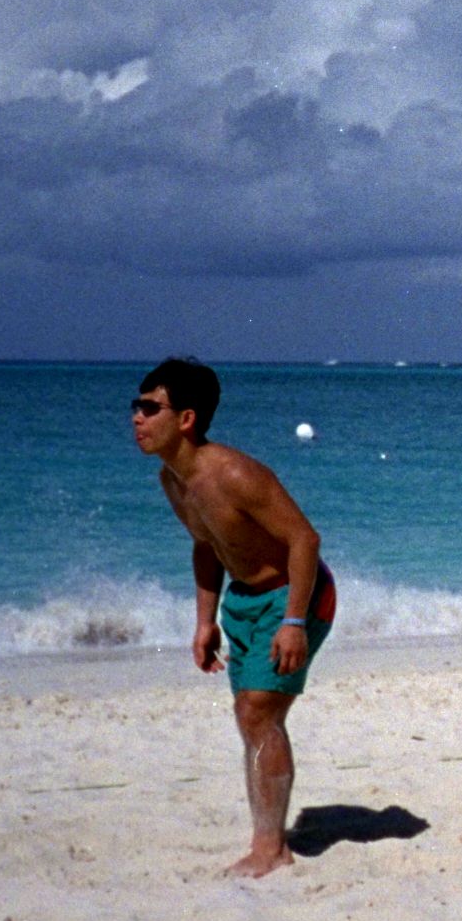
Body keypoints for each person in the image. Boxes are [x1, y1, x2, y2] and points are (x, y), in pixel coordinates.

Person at [131, 356, 336, 878]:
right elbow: (207, 545)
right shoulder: (173, 481)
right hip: (243, 601)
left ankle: (270, 848)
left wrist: (293, 622)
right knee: (252, 717)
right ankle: (268, 839)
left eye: (150, 408)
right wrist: (205, 621)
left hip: (296, 593)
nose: (137, 417)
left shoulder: (235, 474)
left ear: (186, 419)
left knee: (257, 712)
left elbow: (304, 539)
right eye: (136, 406)